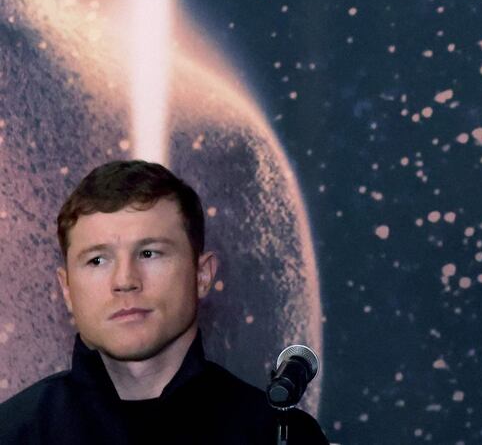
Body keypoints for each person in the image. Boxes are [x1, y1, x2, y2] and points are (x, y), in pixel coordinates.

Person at [0, 160, 330, 445]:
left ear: (202, 275)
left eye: (149, 253)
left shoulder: (278, 435)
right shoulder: (12, 432)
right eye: (97, 260)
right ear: (67, 289)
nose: (125, 280)